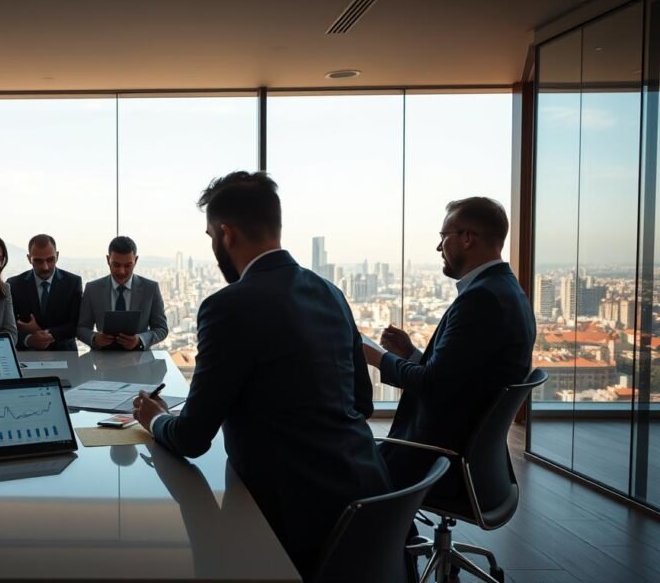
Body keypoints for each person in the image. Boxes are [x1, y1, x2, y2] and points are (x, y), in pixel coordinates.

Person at [132, 172, 390, 581]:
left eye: (210, 236)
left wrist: (155, 418)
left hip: (291, 520)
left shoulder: (227, 307)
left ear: (226, 234)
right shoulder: (330, 292)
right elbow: (362, 402)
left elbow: (192, 438)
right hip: (372, 503)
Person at [362, 197, 535, 506]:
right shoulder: (507, 291)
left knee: (340, 464)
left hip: (439, 459)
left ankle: (384, 548)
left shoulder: (481, 300)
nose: (439, 248)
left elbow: (432, 385)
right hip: (475, 459)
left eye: (443, 237)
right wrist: (411, 355)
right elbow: (457, 377)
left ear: (467, 238)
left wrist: (377, 358)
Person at [76, 236, 168, 350]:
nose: (121, 271)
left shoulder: (150, 289)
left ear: (136, 260)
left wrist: (140, 339)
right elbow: (81, 328)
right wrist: (94, 338)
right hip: (102, 360)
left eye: (128, 265)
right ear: (107, 260)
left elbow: (162, 328)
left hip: (139, 359)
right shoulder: (93, 289)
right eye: (116, 265)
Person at [7, 234, 83, 351]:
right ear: (29, 258)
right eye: (38, 261)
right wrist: (29, 339)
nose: (45, 267)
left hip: (64, 353)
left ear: (57, 256)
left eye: (50, 260)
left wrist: (44, 333)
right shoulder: (14, 285)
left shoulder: (72, 283)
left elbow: (76, 325)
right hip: (28, 355)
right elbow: (8, 327)